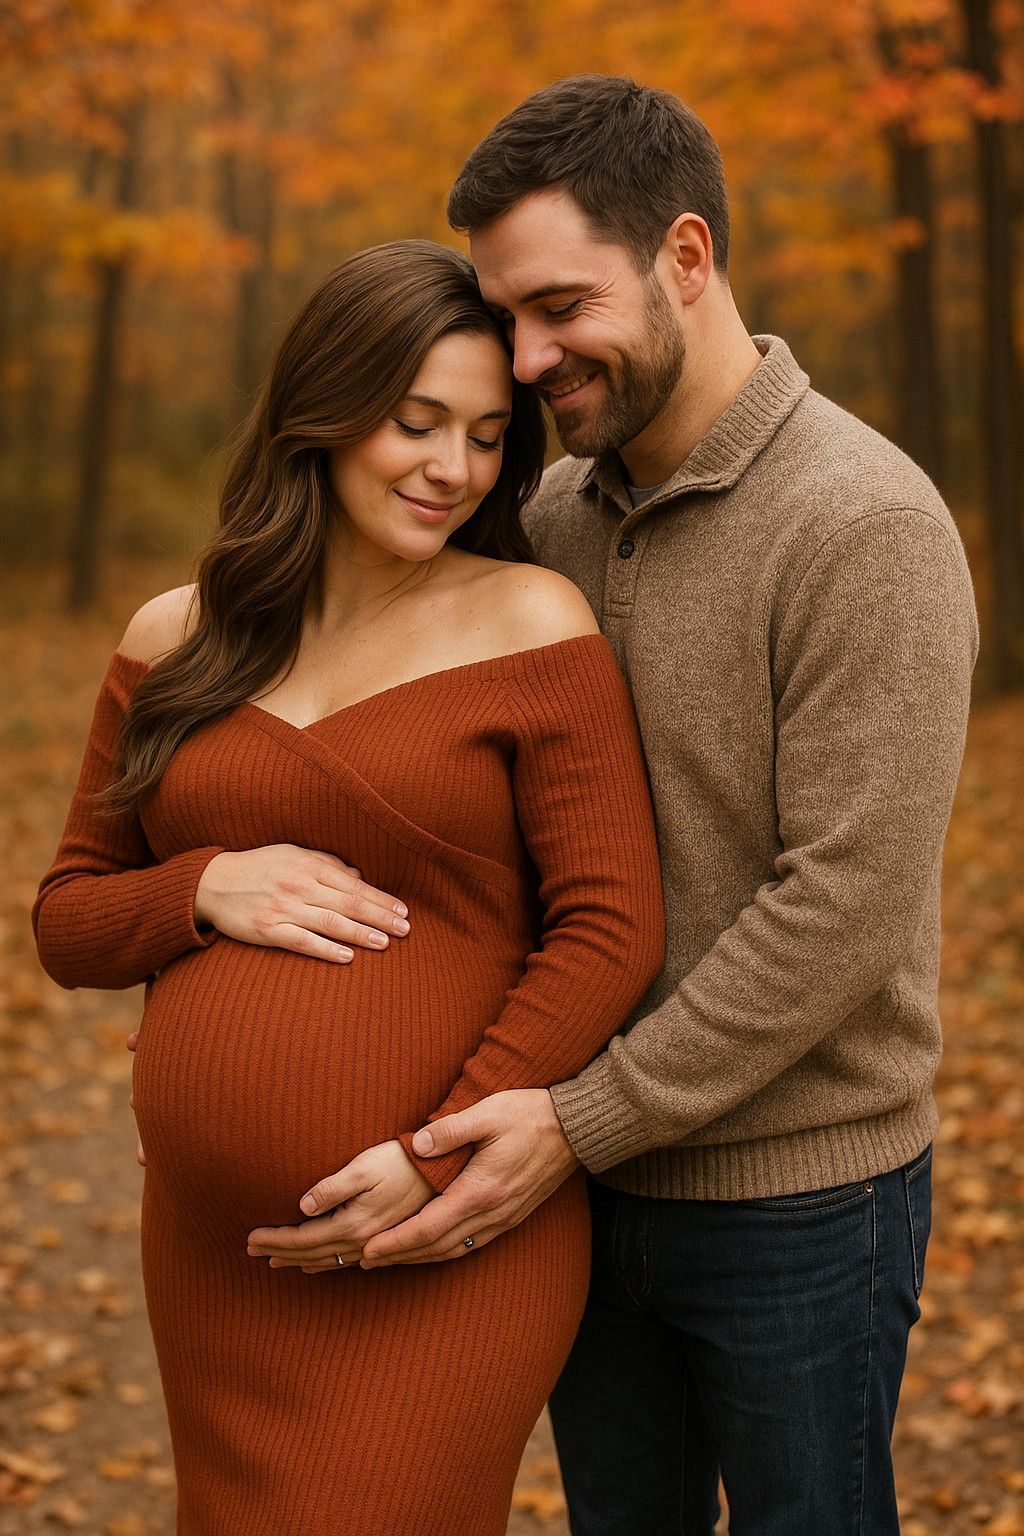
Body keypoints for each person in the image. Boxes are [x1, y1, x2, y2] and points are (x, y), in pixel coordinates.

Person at [247, 80, 979, 1534]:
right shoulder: (550, 519)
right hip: (574, 1190)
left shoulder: (866, 525)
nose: (525, 359)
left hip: (795, 1202)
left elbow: (840, 905)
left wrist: (577, 1120)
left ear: (687, 259)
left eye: (560, 308)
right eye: (507, 317)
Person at [32, 238, 666, 1535]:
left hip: (439, 1243)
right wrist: (199, 888)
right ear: (322, 411)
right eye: (416, 422)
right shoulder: (177, 635)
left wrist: (440, 1156)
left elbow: (610, 927)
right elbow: (70, 920)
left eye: (490, 437)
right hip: (219, 1264)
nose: (453, 468)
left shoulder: (530, 623)